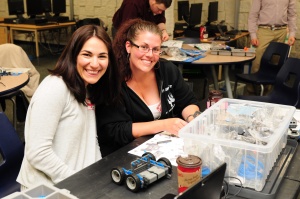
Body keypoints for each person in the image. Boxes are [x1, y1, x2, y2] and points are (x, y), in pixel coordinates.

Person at [17, 25, 121, 189]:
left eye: (102, 56)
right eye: (87, 55)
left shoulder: (86, 87)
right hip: (49, 188)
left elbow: (90, 141)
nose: (95, 64)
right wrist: (78, 182)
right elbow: (38, 153)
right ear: (73, 55)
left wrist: (98, 175)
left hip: (78, 181)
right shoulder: (55, 88)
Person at [96, 18, 201, 157]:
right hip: (124, 156)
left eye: (156, 49)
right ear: (128, 46)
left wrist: (194, 122)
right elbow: (115, 130)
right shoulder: (113, 80)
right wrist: (164, 125)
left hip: (165, 151)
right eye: (143, 47)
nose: (150, 55)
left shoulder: (167, 70)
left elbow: (188, 102)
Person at [248, 0, 297, 74]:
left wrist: (292, 34)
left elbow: (292, 15)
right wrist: (253, 35)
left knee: (276, 61)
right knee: (257, 59)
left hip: (282, 31)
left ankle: (270, 85)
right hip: (264, 30)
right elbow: (253, 14)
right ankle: (254, 83)